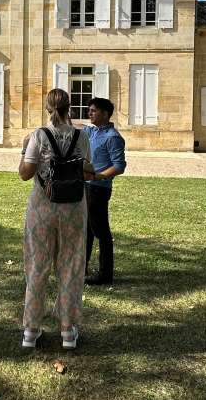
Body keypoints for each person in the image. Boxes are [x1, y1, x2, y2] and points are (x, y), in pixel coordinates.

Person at [18, 88, 94, 349]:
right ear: (69, 107)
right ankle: (67, 329)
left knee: (37, 265)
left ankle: (31, 329)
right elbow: (88, 171)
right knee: (72, 265)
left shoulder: (38, 136)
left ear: (48, 107)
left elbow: (25, 174)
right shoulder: (81, 136)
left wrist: (24, 152)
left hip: (42, 207)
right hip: (73, 208)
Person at [82, 97, 126, 285]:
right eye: (89, 110)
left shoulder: (113, 137)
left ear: (105, 114)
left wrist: (97, 176)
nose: (90, 113)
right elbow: (71, 125)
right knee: (86, 230)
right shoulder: (91, 132)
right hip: (86, 186)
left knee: (101, 232)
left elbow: (119, 166)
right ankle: (80, 268)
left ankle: (105, 274)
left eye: (94, 110)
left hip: (98, 189)